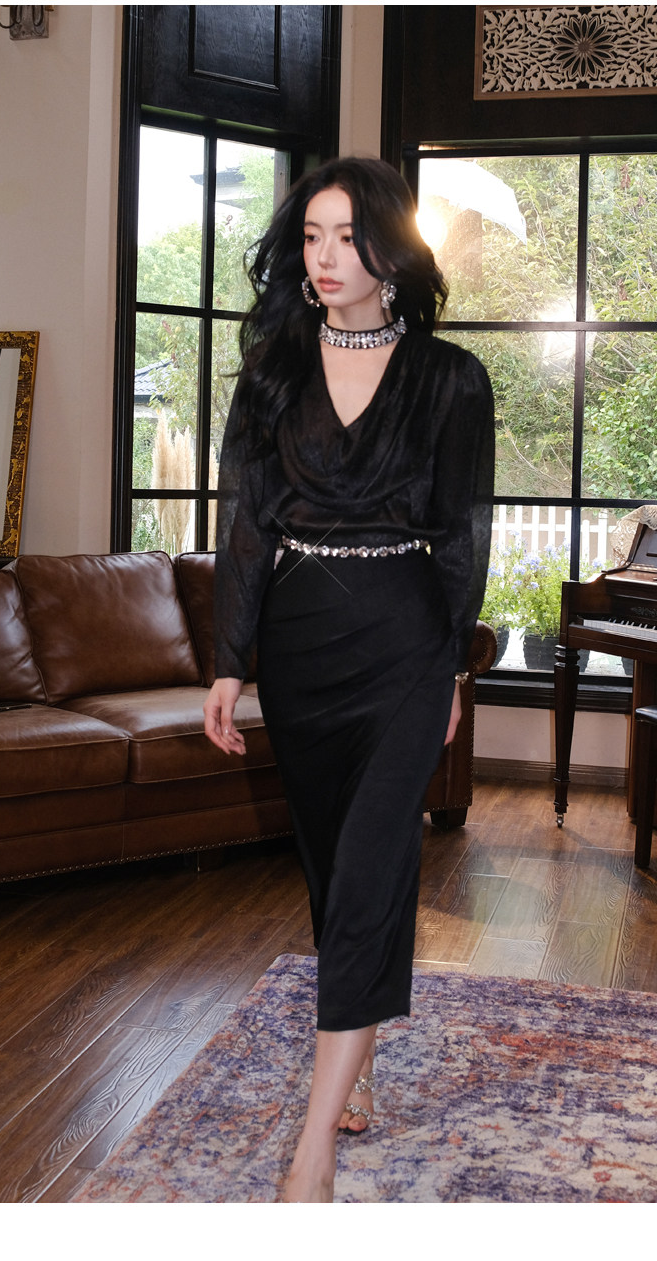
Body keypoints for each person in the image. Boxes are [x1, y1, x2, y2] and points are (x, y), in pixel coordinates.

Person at [204, 157, 494, 1202]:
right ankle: (357, 1053)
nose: (325, 258)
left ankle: (313, 1149)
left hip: (406, 640)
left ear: (389, 251)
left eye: (346, 237)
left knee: (375, 860)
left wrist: (454, 666)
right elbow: (246, 524)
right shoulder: (273, 369)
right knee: (333, 868)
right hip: (302, 643)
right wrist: (229, 663)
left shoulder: (451, 378)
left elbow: (462, 533)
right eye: (311, 237)